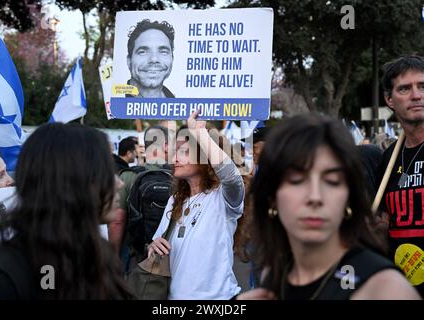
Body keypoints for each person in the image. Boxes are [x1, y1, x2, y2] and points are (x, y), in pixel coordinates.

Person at [238, 114, 419, 300]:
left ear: (349, 196)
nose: (315, 196)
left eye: (331, 181)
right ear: (271, 197)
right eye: (297, 181)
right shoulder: (271, 277)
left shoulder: (385, 289)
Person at [0, 123, 132, 299]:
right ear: (74, 181)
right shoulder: (3, 280)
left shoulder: (99, 253)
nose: (119, 183)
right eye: (107, 172)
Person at [147, 111, 245, 299]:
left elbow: (232, 177)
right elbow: (158, 247)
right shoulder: (175, 200)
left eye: (184, 152)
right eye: (175, 151)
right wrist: (153, 246)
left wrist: (200, 134)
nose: (175, 158)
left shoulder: (223, 197)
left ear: (204, 157)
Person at [376, 55, 424, 298]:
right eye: (405, 88)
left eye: (422, 86)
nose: (416, 95)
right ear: (389, 100)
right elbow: (387, 224)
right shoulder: (389, 159)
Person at [108, 125, 172, 272]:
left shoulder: (129, 176)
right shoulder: (178, 178)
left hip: (136, 254)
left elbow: (117, 221)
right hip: (170, 254)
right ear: (166, 146)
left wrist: (113, 257)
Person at [126, 19, 175, 98]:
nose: (154, 59)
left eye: (163, 52)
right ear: (129, 61)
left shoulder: (181, 107)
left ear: (172, 59)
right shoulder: (113, 102)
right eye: (142, 52)